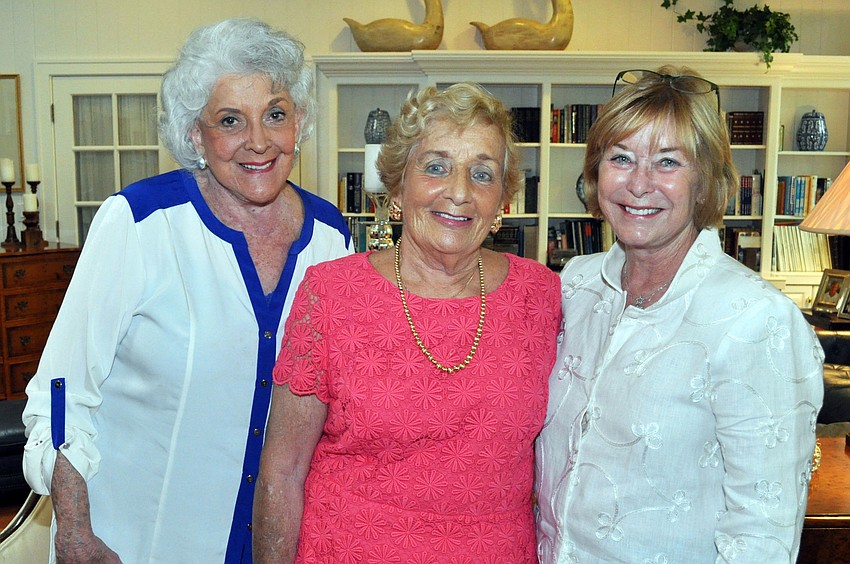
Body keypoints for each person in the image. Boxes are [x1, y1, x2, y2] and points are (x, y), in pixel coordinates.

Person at [22, 18, 351, 563]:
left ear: (300, 121)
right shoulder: (138, 223)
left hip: (277, 545)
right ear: (195, 135)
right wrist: (75, 532)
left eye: (275, 114)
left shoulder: (332, 237)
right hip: (137, 541)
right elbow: (62, 391)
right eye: (229, 120)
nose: (259, 141)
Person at [253, 82, 562, 562]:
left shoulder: (541, 295)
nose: (459, 192)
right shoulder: (331, 294)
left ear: (502, 200)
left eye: (482, 174)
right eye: (436, 167)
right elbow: (283, 470)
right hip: (348, 548)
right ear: (398, 186)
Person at [535, 67, 824, 563]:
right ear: (595, 172)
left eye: (667, 162)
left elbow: (763, 532)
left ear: (704, 180)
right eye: (620, 158)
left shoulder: (756, 320)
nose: (639, 184)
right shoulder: (575, 286)